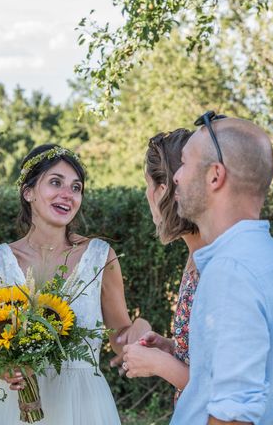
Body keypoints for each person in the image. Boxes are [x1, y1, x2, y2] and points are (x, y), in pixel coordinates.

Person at [0, 144, 151, 425]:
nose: (67, 195)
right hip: (17, 407)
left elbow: (120, 338)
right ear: (28, 192)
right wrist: (2, 368)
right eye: (55, 183)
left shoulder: (100, 257)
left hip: (84, 405)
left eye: (76, 187)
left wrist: (140, 326)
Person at [170, 112, 273, 424]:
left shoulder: (230, 271)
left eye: (184, 163)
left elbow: (233, 414)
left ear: (214, 176)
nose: (176, 177)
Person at [116, 129, 205, 404]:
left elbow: (221, 386)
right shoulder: (194, 256)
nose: (147, 194)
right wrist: (171, 349)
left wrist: (158, 365)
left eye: (148, 183)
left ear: (164, 189)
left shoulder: (214, 263)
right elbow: (205, 359)